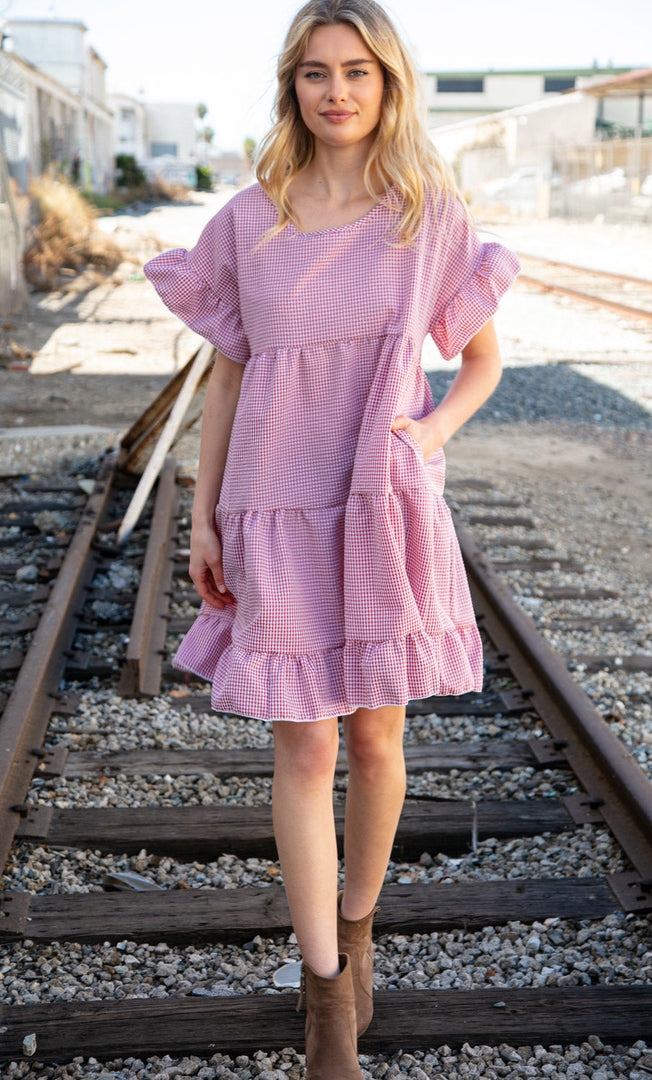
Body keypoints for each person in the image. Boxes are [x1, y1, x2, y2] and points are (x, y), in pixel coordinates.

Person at [144, 1, 519, 1075]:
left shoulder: (425, 214)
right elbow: (229, 371)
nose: (338, 91)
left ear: (388, 84)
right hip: (274, 504)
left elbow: (482, 362)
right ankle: (322, 999)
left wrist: (428, 431)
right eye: (316, 73)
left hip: (381, 503)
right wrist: (206, 514)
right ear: (292, 89)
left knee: (377, 740)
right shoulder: (250, 221)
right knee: (304, 743)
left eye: (358, 71)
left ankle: (358, 929)